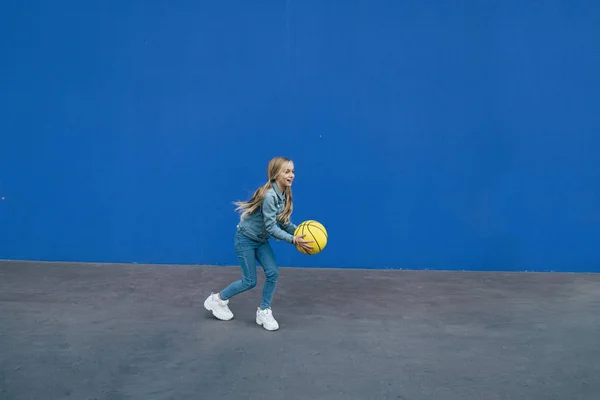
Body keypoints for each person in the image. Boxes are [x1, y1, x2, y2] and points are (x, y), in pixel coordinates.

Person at [204, 156, 313, 331]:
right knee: (249, 281)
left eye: (293, 171)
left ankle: (263, 310)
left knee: (273, 273)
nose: (291, 175)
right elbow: (271, 227)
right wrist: (293, 239)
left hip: (260, 241)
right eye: (287, 171)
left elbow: (283, 222)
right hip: (245, 240)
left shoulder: (284, 193)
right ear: (276, 174)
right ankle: (217, 299)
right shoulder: (270, 196)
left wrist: (301, 232)